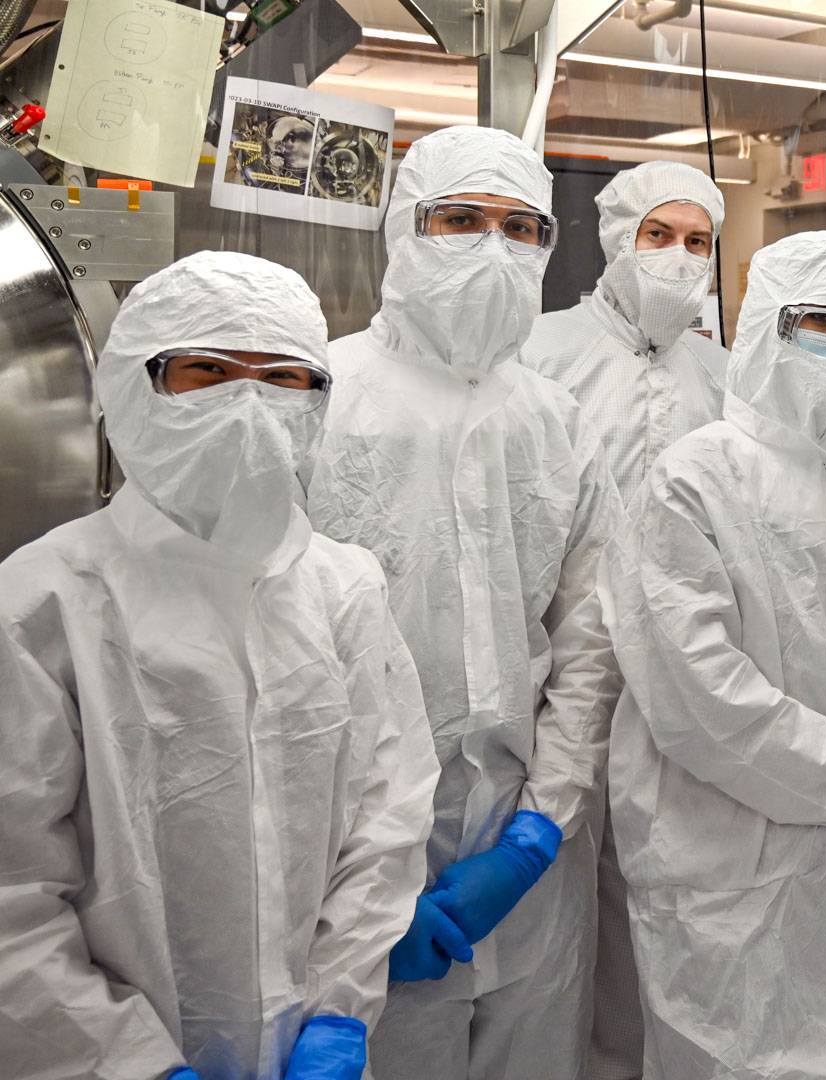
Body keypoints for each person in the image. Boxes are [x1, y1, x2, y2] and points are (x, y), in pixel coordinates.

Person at [0, 251, 437, 1080]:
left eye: (283, 376)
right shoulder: (41, 603)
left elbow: (388, 814)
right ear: (130, 385)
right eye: (206, 370)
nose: (249, 403)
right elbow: (11, 894)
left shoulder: (344, 590)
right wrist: (125, 1063)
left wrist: (339, 1011)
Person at [306, 125, 623, 1080]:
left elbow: (591, 639)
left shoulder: (555, 420)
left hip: (532, 853)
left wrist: (539, 832)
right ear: (406, 229)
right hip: (355, 861)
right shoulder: (321, 395)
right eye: (461, 220)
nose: (494, 248)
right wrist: (363, 878)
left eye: (521, 227)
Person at [603, 230, 826, 1079]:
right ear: (765, 326)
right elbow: (697, 697)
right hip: (730, 861)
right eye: (824, 321)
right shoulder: (691, 481)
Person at [518, 158, 728, 1080]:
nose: (678, 258)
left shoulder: (722, 374)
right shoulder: (541, 353)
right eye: (659, 236)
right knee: (560, 925)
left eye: (698, 242)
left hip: (683, 690)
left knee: (670, 909)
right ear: (615, 239)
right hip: (558, 685)